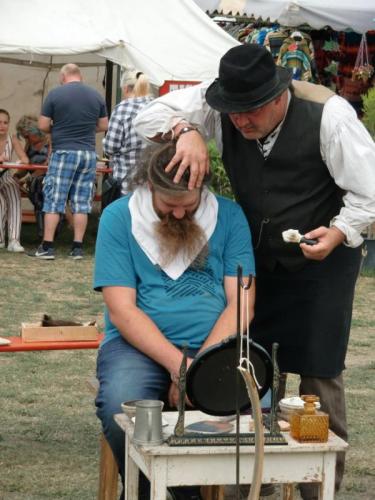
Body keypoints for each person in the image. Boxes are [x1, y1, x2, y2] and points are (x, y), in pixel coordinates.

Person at [134, 44, 375, 500]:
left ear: (279, 94)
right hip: (256, 259)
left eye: (251, 111)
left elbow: (370, 190)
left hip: (322, 262)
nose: (240, 121)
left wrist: (341, 231)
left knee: (318, 374)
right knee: (249, 370)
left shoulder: (330, 116)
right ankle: (252, 484)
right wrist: (185, 129)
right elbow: (146, 116)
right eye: (233, 112)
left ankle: (320, 489)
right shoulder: (216, 104)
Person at [93, 142, 255, 500]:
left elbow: (242, 304)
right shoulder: (120, 218)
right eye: (169, 206)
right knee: (123, 404)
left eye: (189, 205)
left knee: (263, 414)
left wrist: (199, 371)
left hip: (215, 346)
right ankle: (159, 491)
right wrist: (179, 367)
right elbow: (123, 311)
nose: (180, 215)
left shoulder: (229, 217)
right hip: (137, 348)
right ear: (150, 187)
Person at [30, 63, 108, 260]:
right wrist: (86, 129)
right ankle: (78, 248)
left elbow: (42, 125)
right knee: (82, 202)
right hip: (89, 154)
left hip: (64, 152)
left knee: (54, 199)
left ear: (63, 77)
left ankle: (47, 247)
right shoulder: (96, 95)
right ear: (79, 76)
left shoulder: (55, 94)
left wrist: (58, 129)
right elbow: (103, 125)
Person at [103, 70, 153, 196]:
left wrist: (105, 142)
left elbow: (110, 147)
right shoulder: (156, 105)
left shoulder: (122, 109)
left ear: (125, 89)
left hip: (127, 182)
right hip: (153, 182)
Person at [0, 109, 29, 252]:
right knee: (1, 203)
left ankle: (14, 240)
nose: (2, 125)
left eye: (5, 122)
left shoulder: (13, 138)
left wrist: (19, 162)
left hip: (5, 176)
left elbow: (25, 159)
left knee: (14, 192)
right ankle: (0, 239)